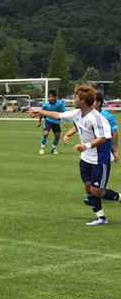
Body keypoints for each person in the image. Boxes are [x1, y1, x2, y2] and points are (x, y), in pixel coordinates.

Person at [30, 84, 120, 226]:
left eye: (76, 97)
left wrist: (86, 146)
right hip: (85, 158)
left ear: (83, 100)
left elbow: (103, 138)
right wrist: (40, 111)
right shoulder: (77, 113)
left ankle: (119, 197)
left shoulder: (96, 118)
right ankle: (101, 217)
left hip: (100, 158)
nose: (74, 99)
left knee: (96, 191)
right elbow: (57, 115)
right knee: (88, 187)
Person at [68, 92, 119, 206]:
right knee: (91, 183)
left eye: (94, 100)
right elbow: (78, 126)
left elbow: (114, 132)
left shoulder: (105, 115)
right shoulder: (85, 114)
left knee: (98, 185)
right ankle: (96, 200)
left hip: (103, 150)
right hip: (90, 151)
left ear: (99, 103)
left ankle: (100, 194)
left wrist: (115, 150)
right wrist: (67, 135)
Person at [37, 89, 66, 155]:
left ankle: (53, 149)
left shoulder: (60, 104)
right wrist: (39, 122)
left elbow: (64, 112)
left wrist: (65, 121)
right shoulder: (46, 104)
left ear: (55, 97)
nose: (51, 98)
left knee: (57, 136)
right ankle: (42, 148)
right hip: (48, 120)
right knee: (45, 133)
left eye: (52, 96)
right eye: (49, 97)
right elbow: (41, 113)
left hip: (56, 121)